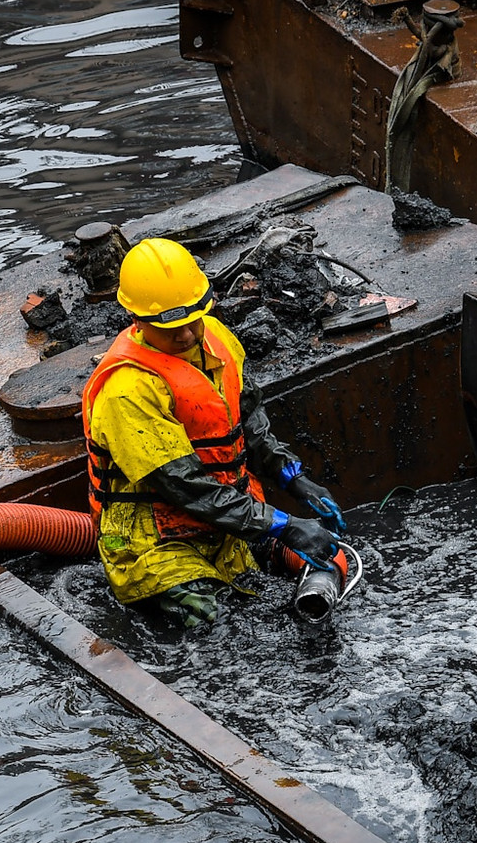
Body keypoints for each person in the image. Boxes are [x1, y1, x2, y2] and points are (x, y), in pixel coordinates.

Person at [80, 237, 345, 628]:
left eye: (193, 320)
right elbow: (185, 487)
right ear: (137, 320)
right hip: (155, 540)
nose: (187, 335)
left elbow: (249, 420)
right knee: (219, 625)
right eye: (171, 328)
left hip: (227, 521)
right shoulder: (127, 391)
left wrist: (295, 479)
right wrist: (284, 525)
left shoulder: (216, 338)